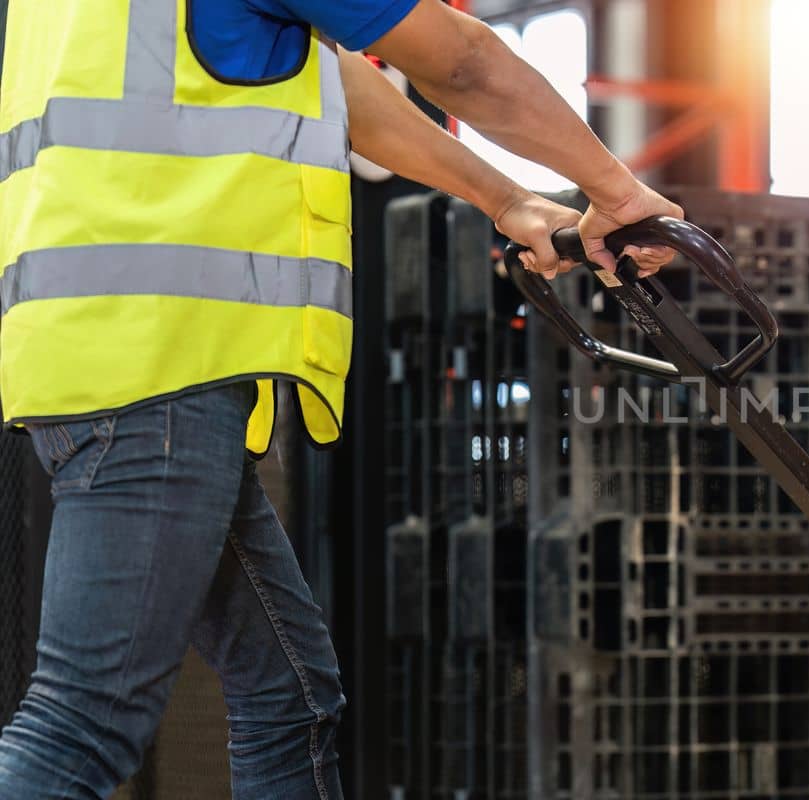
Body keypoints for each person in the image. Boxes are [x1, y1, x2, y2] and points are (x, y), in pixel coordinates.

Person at [0, 0, 682, 797]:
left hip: (109, 355)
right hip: (160, 374)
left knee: (289, 698)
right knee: (85, 724)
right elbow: (459, 61)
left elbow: (331, 84)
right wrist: (618, 191)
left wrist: (508, 200)